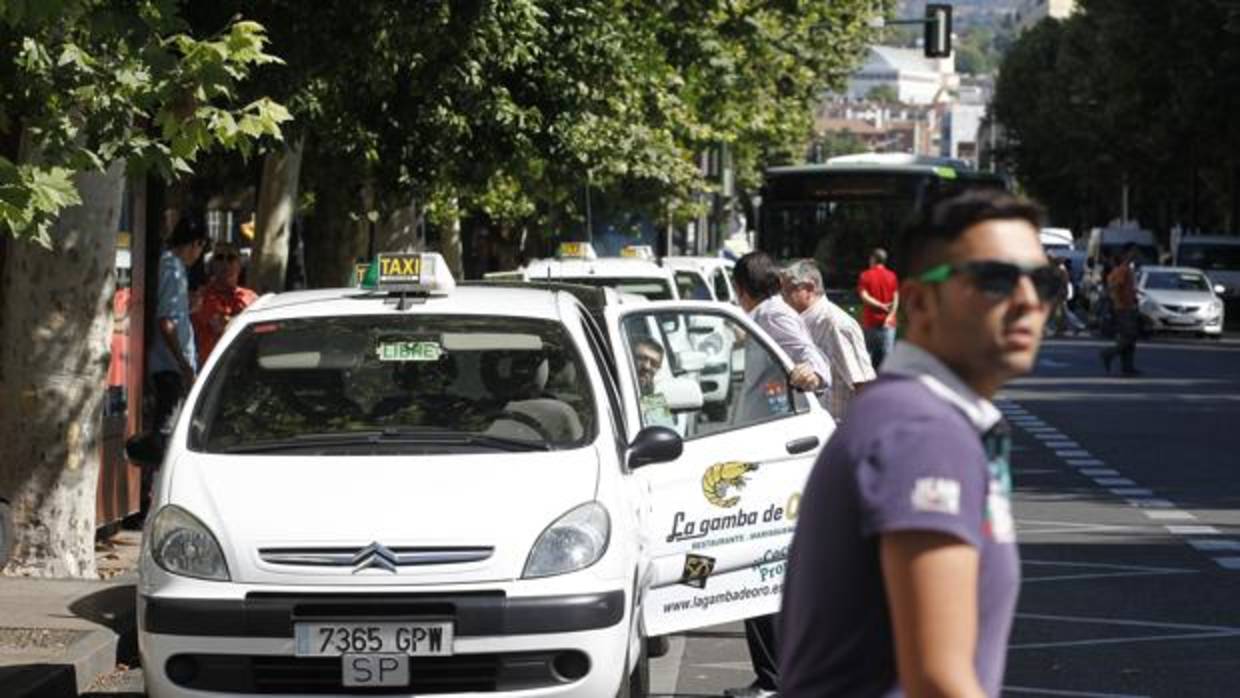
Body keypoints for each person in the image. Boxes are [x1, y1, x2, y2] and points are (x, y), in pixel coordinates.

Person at [780, 190, 1061, 698]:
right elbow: (936, 680)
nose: (1028, 300)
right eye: (995, 279)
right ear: (918, 302)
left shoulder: (913, 415)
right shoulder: (923, 432)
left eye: (1043, 281)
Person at [727, 250, 832, 698]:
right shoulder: (767, 314)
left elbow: (818, 366)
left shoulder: (772, 315)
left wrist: (810, 375)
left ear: (742, 288)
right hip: (761, 448)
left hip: (770, 456)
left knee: (760, 567)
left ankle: (773, 679)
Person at [143, 215, 209, 513]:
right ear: (196, 244)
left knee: (166, 431)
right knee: (166, 433)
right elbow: (166, 321)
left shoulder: (169, 265)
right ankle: (153, 499)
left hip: (168, 362)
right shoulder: (173, 267)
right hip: (168, 365)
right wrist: (184, 365)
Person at [783, 259, 875, 421]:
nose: (783, 298)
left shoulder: (835, 324)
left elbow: (863, 385)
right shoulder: (800, 322)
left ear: (809, 289)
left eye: (788, 290)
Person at [191, 242, 258, 361]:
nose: (225, 263)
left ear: (240, 264)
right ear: (212, 264)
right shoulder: (203, 296)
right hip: (213, 368)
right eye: (220, 258)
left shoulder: (251, 297)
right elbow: (222, 326)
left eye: (231, 258)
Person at [1100, 243, 1141, 376]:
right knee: (1129, 336)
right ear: (1126, 253)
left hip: (1126, 306)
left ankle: (1127, 367)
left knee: (1129, 338)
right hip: (1124, 308)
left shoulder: (1126, 269)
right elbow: (1114, 286)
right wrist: (1119, 300)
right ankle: (1108, 353)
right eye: (1133, 252)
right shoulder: (1123, 269)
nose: (1136, 255)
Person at [858, 247, 899, 370]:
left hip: (870, 322)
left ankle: (868, 388)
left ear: (873, 259)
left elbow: (864, 296)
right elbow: (896, 298)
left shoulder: (865, 275)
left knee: (866, 361)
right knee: (886, 361)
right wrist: (891, 315)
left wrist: (880, 305)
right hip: (888, 324)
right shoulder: (892, 276)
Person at [631, 337, 676, 429]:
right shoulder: (606, 386)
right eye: (641, 358)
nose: (646, 366)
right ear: (628, 357)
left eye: (654, 364)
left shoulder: (653, 401)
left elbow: (663, 436)